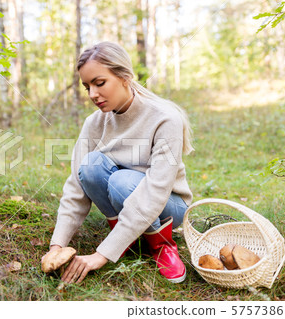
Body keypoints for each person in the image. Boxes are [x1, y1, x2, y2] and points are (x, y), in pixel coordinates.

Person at [43, 41, 194, 284]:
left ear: (125, 77)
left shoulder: (165, 119)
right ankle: (126, 238)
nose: (93, 94)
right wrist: (56, 245)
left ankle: (162, 245)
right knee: (90, 165)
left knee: (122, 182)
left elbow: (155, 191)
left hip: (168, 206)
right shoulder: (94, 123)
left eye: (100, 83)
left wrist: (101, 255)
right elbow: (76, 188)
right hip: (124, 196)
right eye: (87, 87)